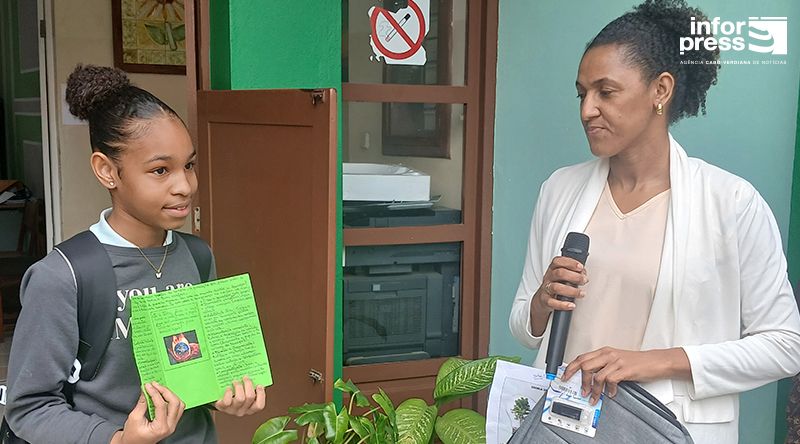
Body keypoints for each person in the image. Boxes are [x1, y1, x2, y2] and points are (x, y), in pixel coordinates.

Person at [508, 0, 800, 442]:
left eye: (606, 92)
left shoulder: (731, 203)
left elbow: (785, 345)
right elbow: (524, 328)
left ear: (660, 90)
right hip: (563, 427)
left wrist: (655, 360)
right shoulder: (559, 191)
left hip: (668, 429)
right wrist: (541, 302)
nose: (587, 109)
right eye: (581, 93)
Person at [5, 64, 267, 443]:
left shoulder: (197, 256)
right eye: (160, 170)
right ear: (107, 170)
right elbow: (29, 407)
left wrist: (225, 396)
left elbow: (199, 368)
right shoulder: (63, 276)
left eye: (189, 165)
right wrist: (118, 440)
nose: (185, 185)